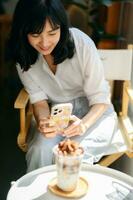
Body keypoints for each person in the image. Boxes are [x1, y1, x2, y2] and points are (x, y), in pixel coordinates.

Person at [8, 0, 117, 172]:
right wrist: (44, 122)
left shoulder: (81, 43)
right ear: (23, 31)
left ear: (62, 27)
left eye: (52, 33)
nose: (44, 43)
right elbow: (39, 102)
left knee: (73, 155)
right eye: (36, 35)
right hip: (58, 115)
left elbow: (100, 99)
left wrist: (84, 124)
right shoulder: (24, 57)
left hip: (95, 114)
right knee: (39, 149)